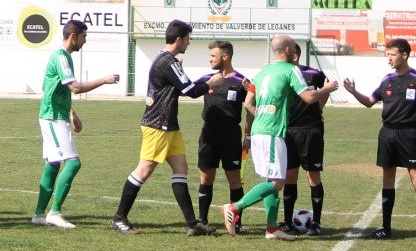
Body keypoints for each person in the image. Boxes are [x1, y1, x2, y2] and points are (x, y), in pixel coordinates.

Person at [221, 35, 338, 239]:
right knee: (277, 182)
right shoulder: (291, 70)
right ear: (288, 50)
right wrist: (327, 89)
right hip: (273, 133)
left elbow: (248, 103)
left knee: (271, 178)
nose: (295, 52)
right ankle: (234, 207)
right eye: (293, 48)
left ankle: (272, 228)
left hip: (259, 130)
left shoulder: (263, 72)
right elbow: (309, 97)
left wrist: (261, 115)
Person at [110, 19, 218, 236]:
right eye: (187, 39)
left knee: (181, 169)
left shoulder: (168, 60)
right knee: (144, 170)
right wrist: (212, 83)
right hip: (157, 124)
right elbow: (190, 91)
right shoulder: (168, 61)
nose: (188, 43)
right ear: (178, 39)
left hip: (169, 125)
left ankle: (192, 224)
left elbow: (180, 87)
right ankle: (119, 218)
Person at [342, 37, 416, 242]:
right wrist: (353, 91)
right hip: (387, 133)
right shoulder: (387, 80)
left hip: (408, 134)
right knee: (387, 178)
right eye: (387, 55)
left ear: (404, 55)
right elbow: (369, 102)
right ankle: (385, 228)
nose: (389, 59)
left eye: (392, 55)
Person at [31, 20, 120, 229]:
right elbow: (76, 88)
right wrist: (104, 80)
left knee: (53, 164)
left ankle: (38, 215)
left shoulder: (64, 57)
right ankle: (54, 212)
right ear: (73, 36)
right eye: (83, 37)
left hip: (55, 115)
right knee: (73, 163)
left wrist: (72, 112)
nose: (85, 41)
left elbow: (54, 88)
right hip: (53, 117)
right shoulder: (61, 57)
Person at [190, 41, 252, 229]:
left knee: (234, 179)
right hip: (208, 134)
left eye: (213, 56)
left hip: (230, 135)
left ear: (225, 56)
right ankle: (202, 221)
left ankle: (236, 223)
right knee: (205, 178)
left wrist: (248, 136)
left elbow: (250, 110)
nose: (210, 60)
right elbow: (188, 90)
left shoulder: (241, 81)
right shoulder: (207, 79)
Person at [281, 42, 330, 235]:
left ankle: (316, 223)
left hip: (311, 130)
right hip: (288, 130)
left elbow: (326, 88)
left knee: (313, 175)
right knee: (289, 176)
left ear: (295, 56)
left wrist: (319, 108)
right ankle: (287, 222)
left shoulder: (314, 74)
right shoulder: (282, 73)